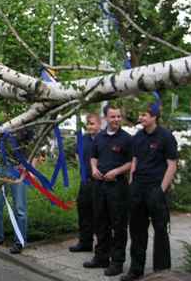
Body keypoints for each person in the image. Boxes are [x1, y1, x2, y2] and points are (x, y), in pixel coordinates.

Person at [121, 103, 178, 281]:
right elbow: (135, 160)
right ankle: (136, 270)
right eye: (140, 114)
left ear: (154, 117)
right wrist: (132, 182)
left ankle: (162, 272)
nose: (141, 118)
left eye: (144, 115)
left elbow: (172, 165)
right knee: (137, 230)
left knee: (160, 230)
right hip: (138, 188)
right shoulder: (137, 136)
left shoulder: (166, 137)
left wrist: (161, 190)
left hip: (156, 189)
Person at [84, 105, 132, 277]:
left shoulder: (127, 139)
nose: (116, 120)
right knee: (100, 222)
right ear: (105, 118)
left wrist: (116, 172)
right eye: (113, 117)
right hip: (99, 186)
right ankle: (101, 257)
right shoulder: (99, 138)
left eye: (119, 116)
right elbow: (93, 156)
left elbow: (131, 162)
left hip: (117, 187)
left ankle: (117, 262)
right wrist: (94, 168)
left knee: (118, 225)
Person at [0, 127, 33, 254]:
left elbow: (34, 148)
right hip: (0, 168)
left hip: (18, 170)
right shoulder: (2, 126)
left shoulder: (27, 126)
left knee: (20, 208)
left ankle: (20, 242)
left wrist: (28, 166)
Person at [69, 112, 102, 253]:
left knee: (99, 215)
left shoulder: (103, 139)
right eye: (88, 124)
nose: (90, 126)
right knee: (83, 212)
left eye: (93, 123)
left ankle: (102, 246)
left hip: (100, 182)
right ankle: (85, 242)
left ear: (100, 125)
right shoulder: (83, 139)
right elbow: (78, 154)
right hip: (85, 181)